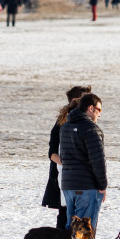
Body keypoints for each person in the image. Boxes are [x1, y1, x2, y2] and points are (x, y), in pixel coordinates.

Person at [58, 93, 106, 239]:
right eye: (99, 110)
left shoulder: (66, 126)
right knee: (85, 231)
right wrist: (102, 185)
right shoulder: (91, 129)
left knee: (71, 229)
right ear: (90, 108)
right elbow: (98, 161)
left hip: (68, 185)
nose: (100, 114)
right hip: (86, 186)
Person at [43, 86, 92, 231]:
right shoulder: (62, 123)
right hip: (64, 177)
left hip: (77, 177)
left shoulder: (86, 121)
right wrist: (68, 164)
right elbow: (52, 152)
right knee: (65, 215)